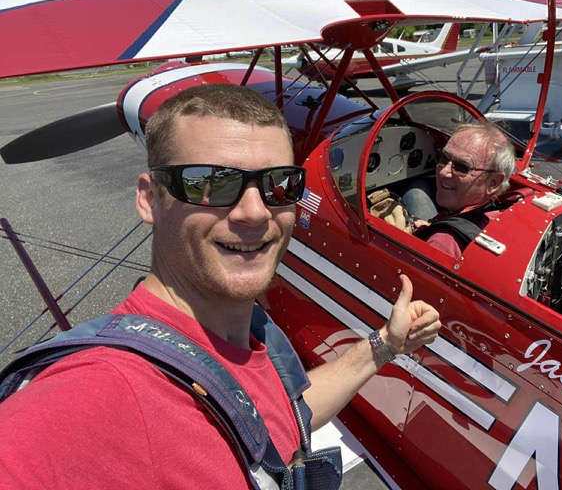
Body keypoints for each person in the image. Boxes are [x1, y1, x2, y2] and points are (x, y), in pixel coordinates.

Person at [0, 84, 441, 488]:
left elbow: (275, 422)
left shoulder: (246, 332)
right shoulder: (102, 389)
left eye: (279, 184)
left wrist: (385, 344)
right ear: (150, 199)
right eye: (211, 183)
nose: (255, 212)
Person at [404, 120, 517, 259]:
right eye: (443, 158)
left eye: (462, 167)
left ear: (493, 183)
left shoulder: (441, 243)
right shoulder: (501, 215)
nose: (443, 172)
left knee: (416, 190)